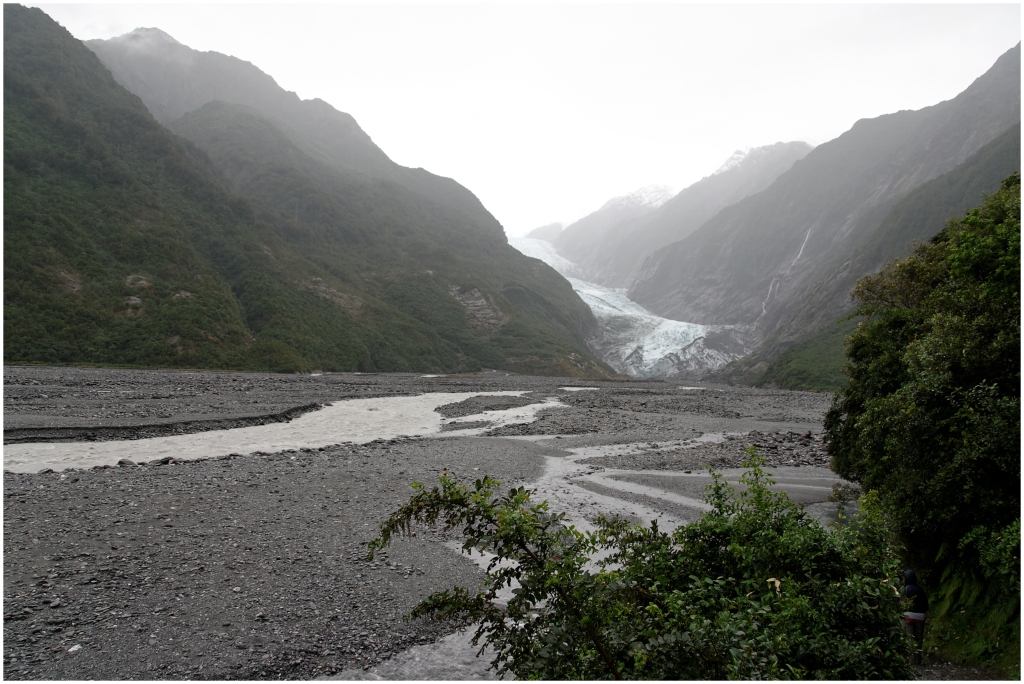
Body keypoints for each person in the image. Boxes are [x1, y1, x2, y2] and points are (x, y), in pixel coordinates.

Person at [902, 569, 928, 664]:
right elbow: (926, 605)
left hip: (907, 616)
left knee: (908, 639)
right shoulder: (920, 590)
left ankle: (909, 661)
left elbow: (900, 603)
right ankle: (918, 660)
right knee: (918, 639)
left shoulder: (905, 589)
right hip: (920, 617)